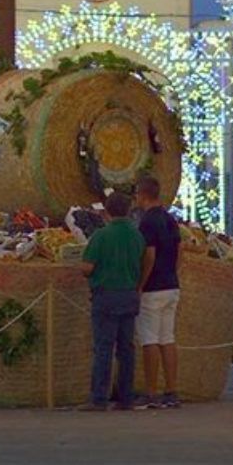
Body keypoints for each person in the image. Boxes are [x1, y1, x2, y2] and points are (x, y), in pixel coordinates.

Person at [79, 191, 143, 412]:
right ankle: (125, 397)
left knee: (104, 348)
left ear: (107, 211)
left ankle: (99, 398)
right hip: (129, 294)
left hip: (105, 296)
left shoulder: (101, 236)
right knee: (126, 349)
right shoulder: (136, 236)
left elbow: (87, 268)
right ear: (127, 210)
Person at [132, 175, 181, 410]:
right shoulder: (170, 219)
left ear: (142, 195)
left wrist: (141, 283)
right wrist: (173, 272)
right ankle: (171, 390)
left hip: (153, 288)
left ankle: (151, 391)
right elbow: (179, 251)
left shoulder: (147, 222)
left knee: (149, 340)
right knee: (168, 339)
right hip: (172, 284)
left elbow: (149, 255)